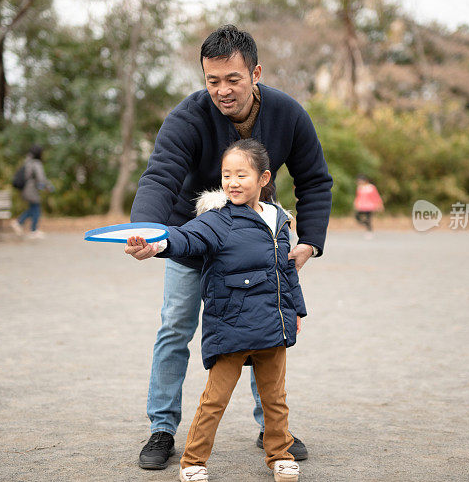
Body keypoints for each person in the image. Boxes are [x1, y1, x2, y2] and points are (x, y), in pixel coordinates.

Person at [128, 25, 333, 470]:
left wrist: (310, 242)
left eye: (233, 80)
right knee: (175, 327)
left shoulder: (288, 114)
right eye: (212, 80)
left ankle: (271, 429)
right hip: (192, 232)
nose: (222, 90)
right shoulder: (187, 117)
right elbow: (161, 174)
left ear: (255, 73)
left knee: (264, 329)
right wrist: (146, 230)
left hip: (254, 238)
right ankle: (163, 428)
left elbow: (314, 179)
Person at [126, 139, 304, 482]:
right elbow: (184, 238)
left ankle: (279, 454)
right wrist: (156, 244)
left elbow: (286, 273)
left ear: (264, 178)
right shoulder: (218, 220)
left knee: (275, 398)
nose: (232, 182)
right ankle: (193, 460)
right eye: (226, 175)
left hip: (273, 325)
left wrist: (296, 312)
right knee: (215, 399)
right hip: (232, 325)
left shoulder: (280, 221)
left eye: (241, 175)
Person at [11, 144, 52, 239]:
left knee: (33, 208)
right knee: (36, 208)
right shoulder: (36, 163)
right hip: (31, 189)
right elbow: (41, 178)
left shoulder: (27, 162)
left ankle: (21, 224)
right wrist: (48, 186)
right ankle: (30, 228)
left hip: (26, 189)